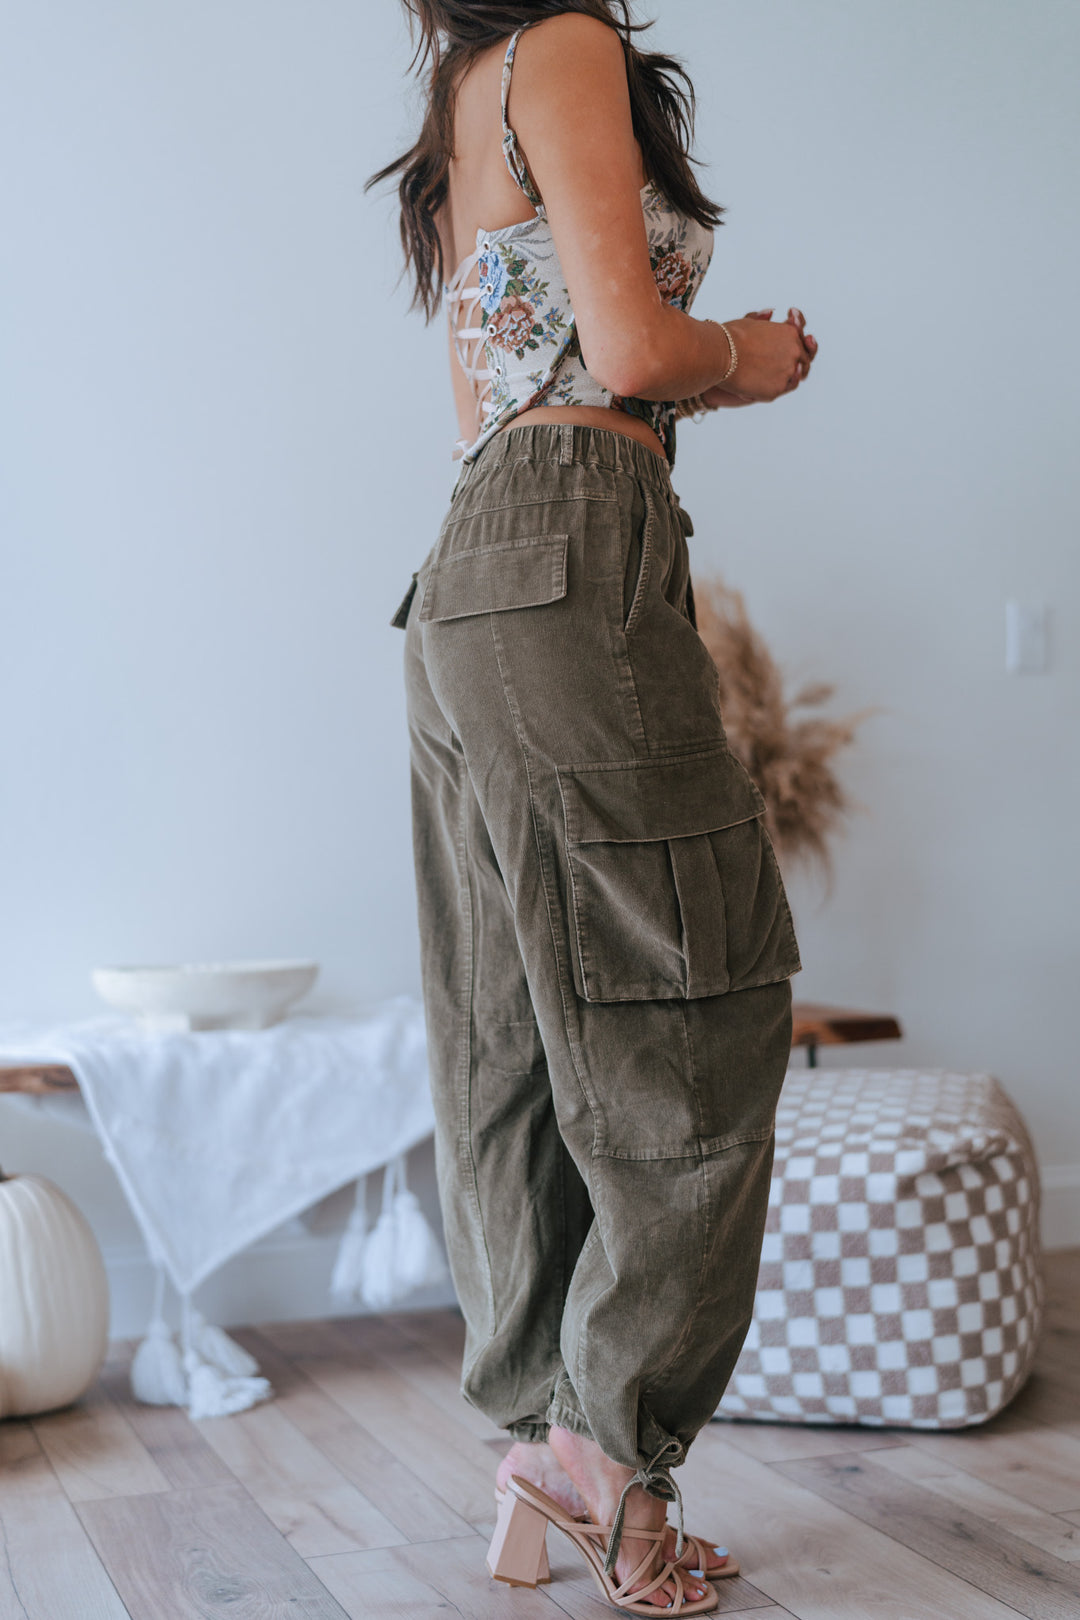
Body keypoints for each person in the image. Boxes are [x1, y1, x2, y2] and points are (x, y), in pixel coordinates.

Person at [377, 4, 816, 1611]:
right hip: (572, 546)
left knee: (513, 1030)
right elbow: (629, 353)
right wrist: (747, 356)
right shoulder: (560, 41)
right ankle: (606, 1453)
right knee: (699, 1003)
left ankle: (552, 1440)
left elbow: (490, 385)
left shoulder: (463, 89)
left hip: (478, 574)